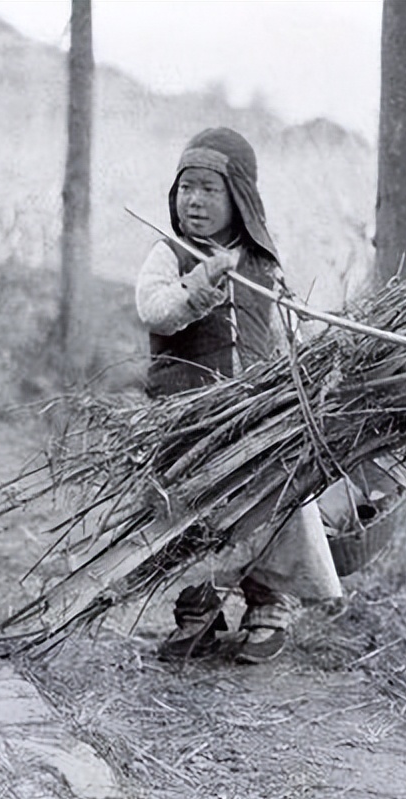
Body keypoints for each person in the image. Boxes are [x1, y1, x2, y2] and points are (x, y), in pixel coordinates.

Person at [135, 126, 342, 664]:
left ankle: (268, 607)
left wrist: (310, 370)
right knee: (190, 511)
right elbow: (154, 310)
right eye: (187, 188)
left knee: (269, 508)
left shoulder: (263, 266)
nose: (194, 201)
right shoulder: (169, 254)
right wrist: (195, 288)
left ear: (241, 198)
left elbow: (283, 338)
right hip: (188, 418)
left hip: (252, 418)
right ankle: (198, 611)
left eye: (210, 189)